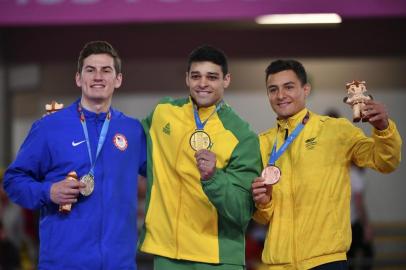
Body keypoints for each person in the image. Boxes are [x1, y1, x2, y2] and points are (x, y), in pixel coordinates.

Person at [3, 41, 147, 269]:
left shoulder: (133, 130)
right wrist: (48, 191)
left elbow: (163, 175)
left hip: (119, 264)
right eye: (90, 70)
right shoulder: (49, 127)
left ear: (118, 79)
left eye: (106, 70)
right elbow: (13, 180)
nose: (98, 76)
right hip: (64, 263)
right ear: (78, 78)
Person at [251, 59, 402, 269]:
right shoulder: (262, 143)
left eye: (289, 87)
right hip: (277, 263)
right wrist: (264, 201)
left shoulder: (335, 130)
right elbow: (262, 217)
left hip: (326, 261)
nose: (280, 95)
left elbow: (385, 162)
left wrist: (384, 129)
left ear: (306, 89)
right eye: (273, 89)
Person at [138, 45, 262, 269]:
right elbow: (127, 146)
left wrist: (213, 177)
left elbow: (242, 211)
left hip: (216, 257)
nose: (203, 83)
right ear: (187, 78)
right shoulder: (163, 113)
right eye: (196, 76)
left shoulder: (242, 136)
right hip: (167, 253)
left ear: (226, 80)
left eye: (212, 77)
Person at [347, 165, 374, 270]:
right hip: (352, 223)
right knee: (368, 253)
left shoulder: (348, 173)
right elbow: (359, 204)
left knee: (350, 257)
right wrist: (366, 226)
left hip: (345, 224)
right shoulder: (356, 176)